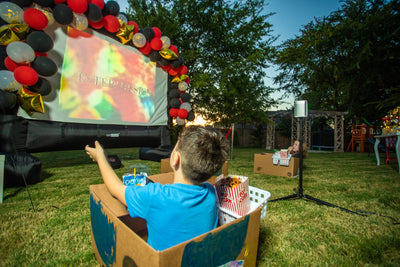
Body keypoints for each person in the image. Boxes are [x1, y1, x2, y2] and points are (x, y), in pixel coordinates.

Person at [85, 125, 229, 251]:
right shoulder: (211, 193)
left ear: (175, 158)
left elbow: (115, 188)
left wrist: (101, 158)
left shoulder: (155, 196)